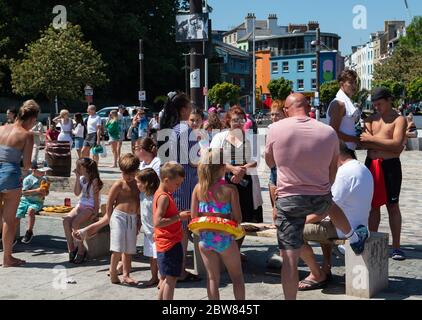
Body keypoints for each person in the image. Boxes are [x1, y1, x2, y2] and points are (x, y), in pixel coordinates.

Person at [265, 93, 369, 300]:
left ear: (286, 110)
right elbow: (333, 169)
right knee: (330, 203)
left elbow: (270, 163)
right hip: (320, 196)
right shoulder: (329, 132)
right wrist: (323, 186)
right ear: (309, 108)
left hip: (289, 198)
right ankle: (353, 236)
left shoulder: (275, 129)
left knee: (289, 261)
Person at [298, 142, 374, 291]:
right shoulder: (361, 167)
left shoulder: (344, 173)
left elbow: (325, 208)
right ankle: (326, 267)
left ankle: (316, 274)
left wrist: (300, 220)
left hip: (344, 228)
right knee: (320, 222)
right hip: (359, 223)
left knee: (290, 231)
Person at [191, 149, 245, 300]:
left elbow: (194, 217)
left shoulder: (198, 189)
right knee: (237, 277)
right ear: (222, 168)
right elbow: (237, 218)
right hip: (224, 239)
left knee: (212, 279)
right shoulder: (230, 190)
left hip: (205, 240)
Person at [360, 87, 407, 261]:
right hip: (371, 164)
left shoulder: (398, 119)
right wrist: (386, 145)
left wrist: (373, 141)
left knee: (392, 206)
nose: (377, 107)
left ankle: (396, 247)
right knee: (373, 206)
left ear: (389, 100)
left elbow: (397, 146)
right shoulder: (371, 119)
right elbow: (363, 144)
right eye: (374, 105)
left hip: (390, 166)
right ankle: (373, 242)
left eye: (379, 104)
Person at [161, 91, 200, 282]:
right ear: (184, 109)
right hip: (185, 184)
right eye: (190, 107)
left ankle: (172, 268)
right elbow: (194, 161)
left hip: (173, 181)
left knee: (177, 227)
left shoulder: (171, 129)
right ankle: (181, 270)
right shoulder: (185, 130)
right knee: (183, 229)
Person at [1, 100, 39, 267]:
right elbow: (27, 165)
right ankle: (7, 258)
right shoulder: (27, 135)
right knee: (9, 220)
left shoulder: (1, 128)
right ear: (31, 119)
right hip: (10, 175)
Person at [211, 106, 263, 224]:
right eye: (235, 120)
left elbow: (256, 160)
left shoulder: (251, 138)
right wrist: (233, 169)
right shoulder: (219, 137)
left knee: (245, 220)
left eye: (241, 120)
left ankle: (238, 242)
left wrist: (241, 170)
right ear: (228, 121)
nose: (238, 123)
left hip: (247, 183)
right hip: (225, 181)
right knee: (226, 218)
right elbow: (214, 159)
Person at [153, 162, 191, 300]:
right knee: (171, 279)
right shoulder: (163, 197)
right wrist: (179, 217)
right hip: (169, 244)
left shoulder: (162, 194)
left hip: (166, 243)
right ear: (166, 180)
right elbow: (157, 222)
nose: (178, 187)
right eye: (177, 184)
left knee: (166, 278)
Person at [106, 153, 140, 285]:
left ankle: (126, 274)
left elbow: (139, 201)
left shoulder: (137, 184)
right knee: (117, 247)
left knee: (129, 248)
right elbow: (110, 203)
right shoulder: (119, 184)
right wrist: (110, 220)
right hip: (119, 216)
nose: (129, 177)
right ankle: (113, 272)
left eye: (132, 174)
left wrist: (138, 220)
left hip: (132, 217)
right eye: (126, 174)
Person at [63, 157, 102, 264]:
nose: (76, 168)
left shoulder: (94, 180)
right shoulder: (82, 179)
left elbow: (96, 199)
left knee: (75, 223)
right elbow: (76, 193)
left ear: (85, 168)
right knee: (66, 221)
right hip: (81, 205)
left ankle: (81, 250)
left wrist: (95, 213)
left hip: (90, 206)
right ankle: (71, 248)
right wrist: (77, 177)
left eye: (78, 166)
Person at [327, 69, 360, 156]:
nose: (354, 86)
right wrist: (356, 139)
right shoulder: (339, 104)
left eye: (355, 82)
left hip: (347, 150)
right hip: (341, 152)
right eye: (351, 83)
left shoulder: (346, 102)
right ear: (342, 84)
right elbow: (333, 132)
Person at [16, 162, 52, 244]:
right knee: (17, 215)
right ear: (34, 170)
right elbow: (23, 192)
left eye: (44, 171)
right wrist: (36, 190)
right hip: (25, 201)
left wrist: (45, 193)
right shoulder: (28, 179)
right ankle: (12, 235)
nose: (43, 173)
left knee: (31, 210)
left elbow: (46, 193)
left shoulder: (45, 179)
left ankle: (29, 231)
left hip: (37, 202)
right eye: (41, 171)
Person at [136, 168, 161, 287]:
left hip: (156, 233)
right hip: (147, 232)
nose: (137, 185)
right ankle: (154, 277)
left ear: (146, 183)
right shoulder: (142, 195)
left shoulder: (155, 197)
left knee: (159, 257)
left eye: (138, 182)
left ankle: (163, 278)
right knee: (152, 258)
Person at [268, 100, 285, 224]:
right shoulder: (270, 129)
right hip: (273, 169)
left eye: (277, 114)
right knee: (274, 207)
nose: (274, 117)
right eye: (272, 114)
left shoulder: (287, 129)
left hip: (284, 169)